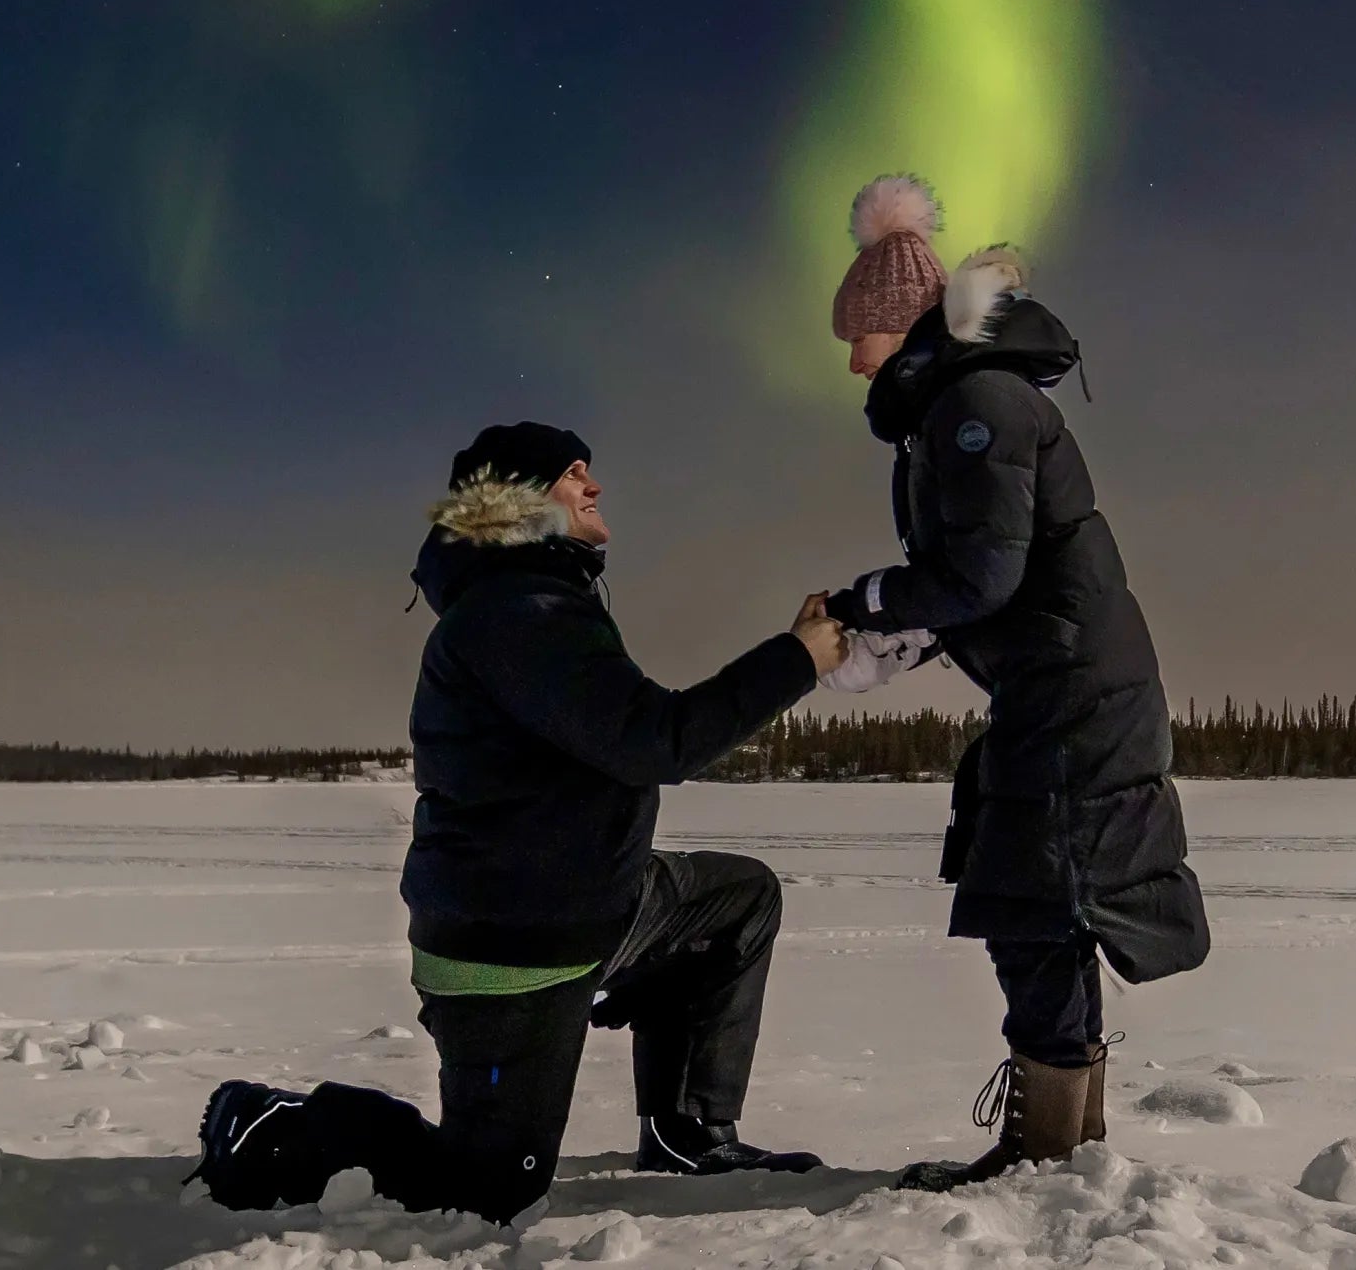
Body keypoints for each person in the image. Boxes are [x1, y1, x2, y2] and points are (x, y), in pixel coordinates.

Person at [819, 176, 1209, 1189]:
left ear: (896, 323)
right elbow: (993, 580)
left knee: (1035, 907)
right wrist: (899, 635)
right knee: (1039, 906)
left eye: (856, 332)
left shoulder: (974, 404)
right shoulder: (958, 404)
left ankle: (1048, 1155)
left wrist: (865, 601)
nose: (848, 358)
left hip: (1074, 699)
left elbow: (980, 575)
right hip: (1058, 692)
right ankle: (1063, 1153)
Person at [391, 421, 848, 1221]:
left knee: (736, 897)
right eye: (574, 475)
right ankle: (273, 1125)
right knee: (489, 1191)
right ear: (519, 500)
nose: (595, 486)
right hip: (512, 951)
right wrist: (798, 657)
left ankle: (687, 1129)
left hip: (593, 909)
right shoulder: (518, 611)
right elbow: (656, 740)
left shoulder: (535, 599)